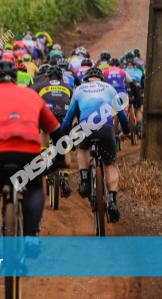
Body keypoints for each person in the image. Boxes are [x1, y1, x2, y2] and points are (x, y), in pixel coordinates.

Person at [0, 61, 61, 242]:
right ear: (16, 79)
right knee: (35, 188)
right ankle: (31, 237)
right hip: (29, 152)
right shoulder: (31, 95)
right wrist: (60, 159)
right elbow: (54, 129)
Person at [59, 67, 130, 223]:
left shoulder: (79, 90)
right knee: (110, 164)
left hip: (86, 127)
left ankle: (84, 180)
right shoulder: (110, 89)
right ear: (101, 79)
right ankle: (112, 201)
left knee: (82, 147)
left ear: (86, 79)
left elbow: (68, 118)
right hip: (106, 128)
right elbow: (122, 115)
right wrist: (127, 130)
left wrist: (64, 134)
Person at [31, 65, 73, 197]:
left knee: (44, 132)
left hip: (48, 115)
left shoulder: (41, 84)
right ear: (61, 77)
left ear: (47, 77)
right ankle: (65, 179)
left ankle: (44, 155)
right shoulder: (67, 86)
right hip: (63, 115)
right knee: (65, 143)